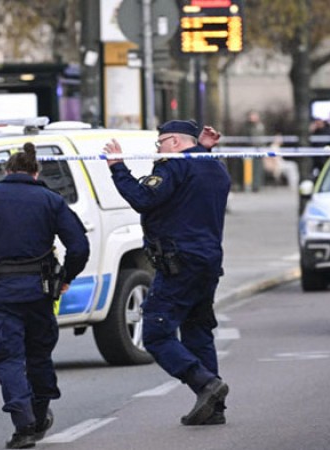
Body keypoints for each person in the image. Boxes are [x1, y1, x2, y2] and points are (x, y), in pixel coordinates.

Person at [0, 142, 90, 449]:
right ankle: (40, 414)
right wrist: (65, 277)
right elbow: (80, 247)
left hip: (0, 292)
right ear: (35, 172)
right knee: (39, 353)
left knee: (9, 357)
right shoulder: (50, 199)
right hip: (40, 291)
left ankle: (23, 423)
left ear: (7, 171)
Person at [102, 120, 230, 426]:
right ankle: (214, 408)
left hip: (179, 262)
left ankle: (205, 384)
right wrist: (202, 149)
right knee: (198, 332)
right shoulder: (215, 167)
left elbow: (143, 198)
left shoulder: (173, 167)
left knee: (157, 334)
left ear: (173, 142)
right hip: (207, 262)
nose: (157, 150)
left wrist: (118, 167)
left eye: (159, 144)